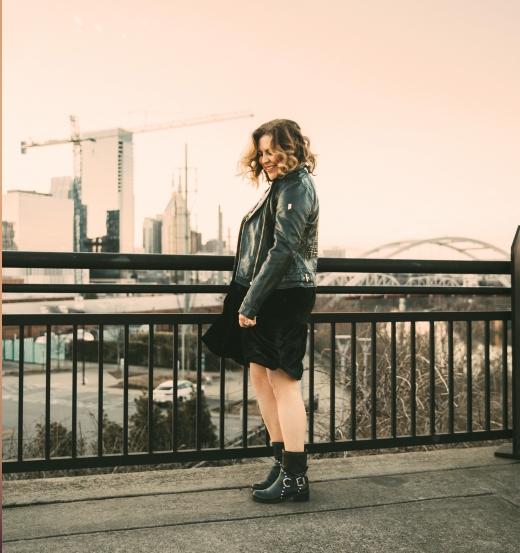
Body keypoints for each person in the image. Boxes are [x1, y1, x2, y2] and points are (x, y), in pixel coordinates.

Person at [203, 119, 319, 503]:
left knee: (284, 383)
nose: (266, 158)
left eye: (272, 151)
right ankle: (281, 461)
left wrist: (251, 301)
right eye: (262, 152)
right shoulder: (280, 187)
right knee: (260, 379)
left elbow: (284, 249)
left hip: (282, 296)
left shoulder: (296, 188)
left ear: (291, 149)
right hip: (266, 292)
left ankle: (296, 477)